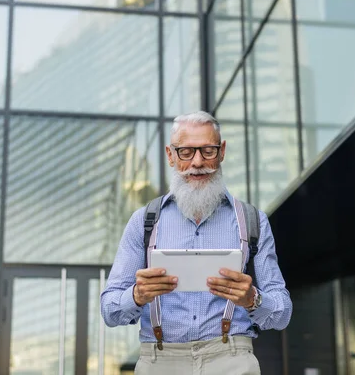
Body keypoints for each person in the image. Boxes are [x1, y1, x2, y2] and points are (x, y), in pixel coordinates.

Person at [100, 111, 292, 374]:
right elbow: (109, 310)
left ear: (222, 151)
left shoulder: (252, 220)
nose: (198, 162)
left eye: (208, 151)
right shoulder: (143, 222)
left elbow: (282, 314)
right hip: (160, 361)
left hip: (232, 359)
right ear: (170, 155)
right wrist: (137, 295)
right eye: (186, 152)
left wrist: (252, 299)